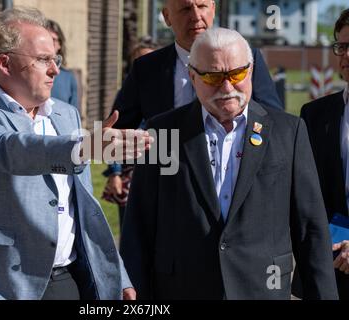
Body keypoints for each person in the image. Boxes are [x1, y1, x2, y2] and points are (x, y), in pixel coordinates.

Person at [0, 7, 152, 300]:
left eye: (55, 59)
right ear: (5, 63)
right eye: (43, 60)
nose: (55, 69)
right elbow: (7, 148)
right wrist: (84, 148)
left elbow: (82, 206)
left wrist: (116, 274)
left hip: (66, 279)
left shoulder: (65, 114)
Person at [120, 27, 339, 300]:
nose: (227, 87)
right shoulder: (163, 132)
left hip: (261, 290)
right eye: (213, 76)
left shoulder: (288, 131)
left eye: (236, 74)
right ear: (192, 76)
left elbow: (311, 230)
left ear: (250, 70)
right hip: (181, 289)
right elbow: (138, 226)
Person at [112, 0, 282, 130]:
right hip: (171, 172)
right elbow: (116, 131)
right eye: (186, 9)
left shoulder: (247, 59)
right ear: (167, 16)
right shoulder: (146, 68)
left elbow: (274, 123)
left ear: (213, 9)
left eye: (202, 6)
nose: (195, 16)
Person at [300, 8, 349, 299]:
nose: (346, 56)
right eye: (342, 47)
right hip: (328, 263)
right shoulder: (314, 115)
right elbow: (304, 192)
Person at [102, 36, 159, 232]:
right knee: (130, 228)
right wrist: (115, 173)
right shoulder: (126, 94)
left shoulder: (168, 93)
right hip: (130, 170)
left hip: (162, 168)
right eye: (139, 61)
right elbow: (114, 133)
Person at [46, 19, 79, 109]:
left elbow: (74, 113)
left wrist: (98, 124)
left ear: (60, 44)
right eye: (46, 38)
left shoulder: (68, 77)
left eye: (53, 39)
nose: (49, 43)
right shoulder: (32, 71)